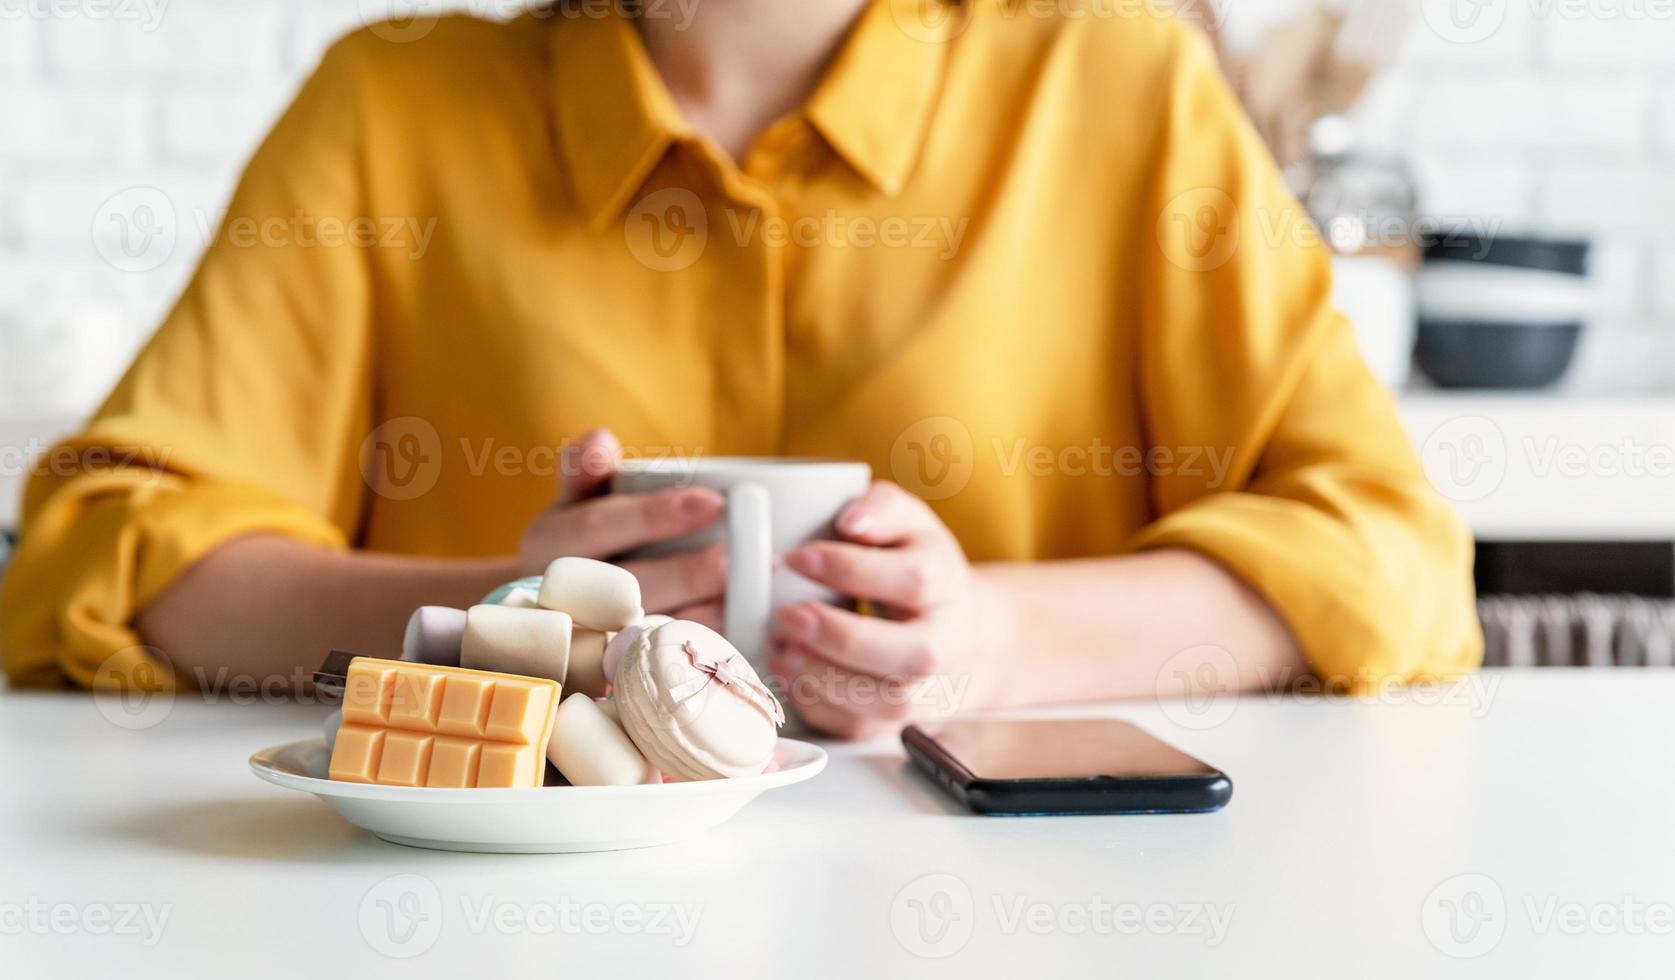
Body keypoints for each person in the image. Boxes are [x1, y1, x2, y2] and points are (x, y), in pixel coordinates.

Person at [0, 0, 1480, 738]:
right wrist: (496, 631)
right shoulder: (390, 107)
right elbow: (115, 545)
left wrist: (987, 646)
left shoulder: (1119, 80)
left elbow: (1387, 552)